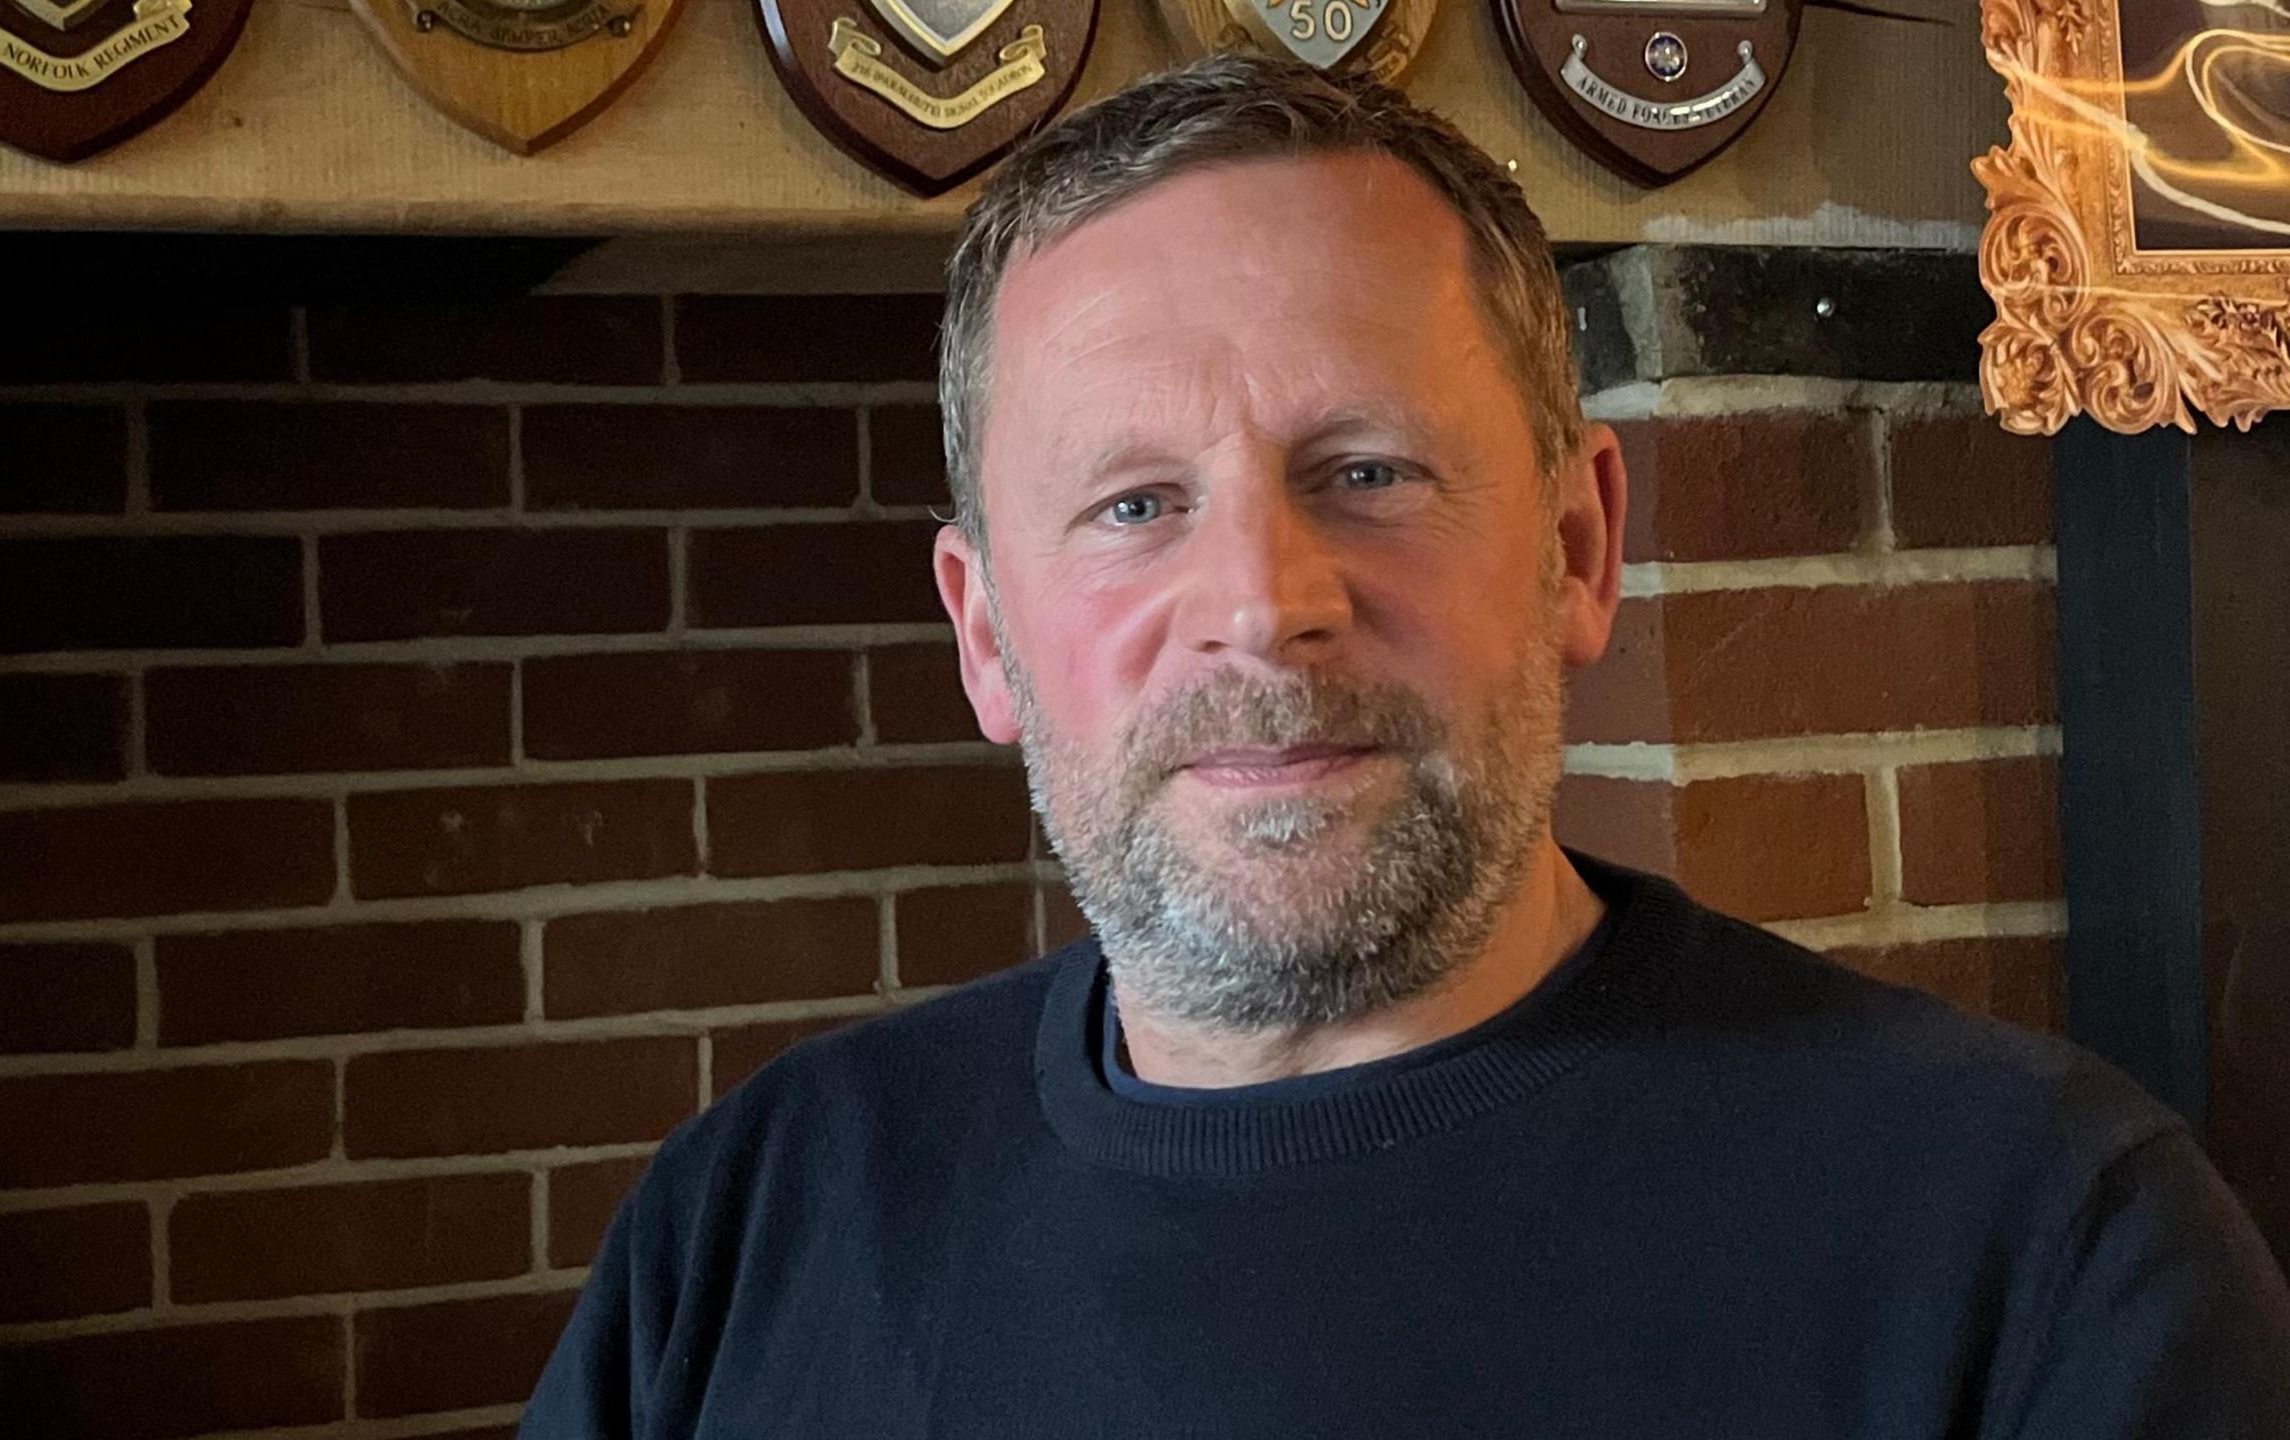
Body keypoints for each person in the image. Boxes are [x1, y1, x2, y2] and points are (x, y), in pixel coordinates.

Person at [517, 54, 2290, 1437]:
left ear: (1582, 544)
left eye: (1368, 471)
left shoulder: (2048, 1253)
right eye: (1135, 503)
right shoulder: (749, 1223)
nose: (1263, 603)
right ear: (987, 635)